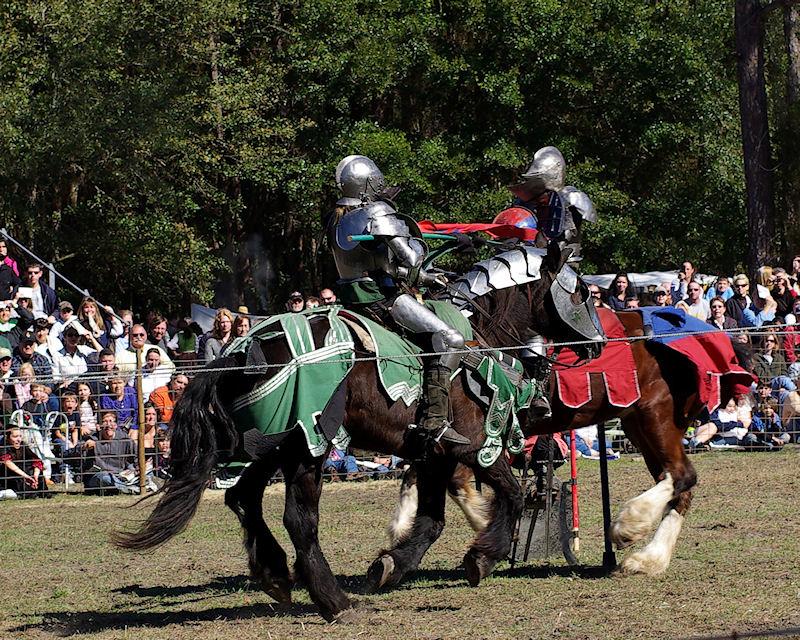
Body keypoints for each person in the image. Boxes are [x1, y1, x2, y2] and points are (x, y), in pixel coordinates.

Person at [329, 154, 469, 449]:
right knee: (451, 338)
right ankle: (435, 421)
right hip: (381, 299)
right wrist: (456, 244)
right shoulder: (375, 212)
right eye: (377, 178)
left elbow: (379, 261)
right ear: (368, 182)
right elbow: (413, 261)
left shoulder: (337, 217)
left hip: (349, 298)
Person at [504, 146, 596, 262]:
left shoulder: (571, 198)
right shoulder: (526, 200)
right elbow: (517, 227)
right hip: (526, 257)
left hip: (561, 262)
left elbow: (565, 235)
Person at [80, 411, 137, 494]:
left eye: (111, 421)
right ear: (99, 426)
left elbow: (135, 457)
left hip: (120, 475)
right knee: (105, 477)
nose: (108, 425)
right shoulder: (93, 438)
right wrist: (83, 447)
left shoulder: (124, 439)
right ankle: (129, 489)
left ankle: (121, 487)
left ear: (116, 425)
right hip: (97, 477)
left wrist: (133, 469)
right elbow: (71, 454)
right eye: (105, 421)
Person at [1, 426, 50, 499]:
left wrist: (35, 475)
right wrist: (26, 476)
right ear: (7, 437)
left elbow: (37, 460)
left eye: (20, 436)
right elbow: (7, 462)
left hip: (24, 477)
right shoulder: (3, 447)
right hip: (9, 478)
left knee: (34, 470)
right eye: (15, 436)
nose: (19, 439)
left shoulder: (23, 446)